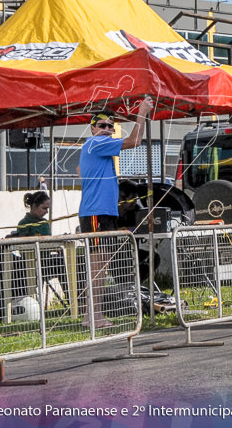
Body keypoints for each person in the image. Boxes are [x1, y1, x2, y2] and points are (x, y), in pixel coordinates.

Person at [78, 97, 154, 328]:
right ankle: (92, 316)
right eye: (102, 126)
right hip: (96, 213)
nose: (108, 130)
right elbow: (135, 141)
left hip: (102, 212)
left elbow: (80, 169)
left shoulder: (96, 149)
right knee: (98, 266)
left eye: (111, 126)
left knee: (100, 266)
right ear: (93, 128)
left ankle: (91, 314)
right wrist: (142, 112)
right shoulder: (96, 144)